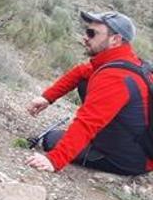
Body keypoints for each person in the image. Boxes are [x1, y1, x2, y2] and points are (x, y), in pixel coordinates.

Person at [26, 11, 152, 176]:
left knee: (51, 140)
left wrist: (54, 160)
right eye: (86, 31)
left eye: (92, 33)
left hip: (130, 159)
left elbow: (88, 122)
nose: (85, 37)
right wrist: (47, 98)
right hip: (140, 146)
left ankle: (103, 148)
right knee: (86, 81)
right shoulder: (128, 62)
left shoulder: (115, 77)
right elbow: (81, 72)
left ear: (115, 39)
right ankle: (102, 140)